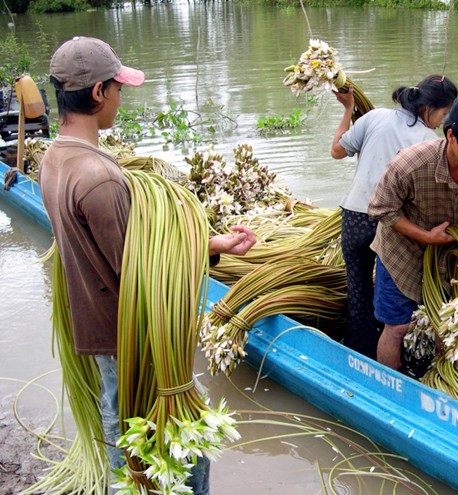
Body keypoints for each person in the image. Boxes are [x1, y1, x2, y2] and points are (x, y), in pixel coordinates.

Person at [39, 36, 256, 494]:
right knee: (178, 434)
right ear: (98, 93)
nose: (120, 97)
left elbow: (123, 251)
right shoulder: (99, 179)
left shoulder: (56, 158)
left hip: (98, 328)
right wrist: (210, 246)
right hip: (132, 333)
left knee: (120, 421)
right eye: (117, 88)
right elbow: (144, 271)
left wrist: (212, 240)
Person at [368, 92, 458, 371]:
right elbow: (381, 208)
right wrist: (425, 237)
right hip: (402, 255)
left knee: (447, 325)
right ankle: (390, 382)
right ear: (451, 136)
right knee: (397, 327)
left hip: (452, 261)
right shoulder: (410, 165)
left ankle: (443, 379)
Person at [330, 75, 458, 360]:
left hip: (354, 217)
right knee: (392, 296)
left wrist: (348, 109)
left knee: (359, 291)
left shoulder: (375, 117)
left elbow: (337, 150)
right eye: (444, 113)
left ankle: (358, 353)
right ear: (429, 108)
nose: (443, 121)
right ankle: (390, 354)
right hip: (389, 224)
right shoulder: (430, 141)